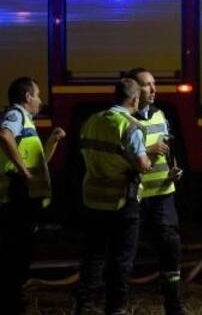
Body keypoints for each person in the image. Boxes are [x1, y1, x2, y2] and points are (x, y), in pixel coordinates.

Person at [74, 78, 152, 315]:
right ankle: (116, 307)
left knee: (93, 256)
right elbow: (141, 163)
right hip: (121, 200)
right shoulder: (130, 126)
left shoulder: (92, 120)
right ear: (134, 99)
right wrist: (147, 161)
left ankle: (85, 305)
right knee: (122, 257)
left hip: (93, 197)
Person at [0, 77, 65, 314]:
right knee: (15, 254)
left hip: (23, 196)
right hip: (15, 196)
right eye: (37, 94)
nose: (40, 100)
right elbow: (5, 135)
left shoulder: (25, 120)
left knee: (20, 252)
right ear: (27, 97)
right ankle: (11, 302)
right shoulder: (16, 115)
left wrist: (52, 142)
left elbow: (38, 163)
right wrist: (24, 173)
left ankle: (14, 299)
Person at [128, 67, 185, 315]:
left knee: (170, 248)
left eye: (154, 83)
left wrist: (174, 169)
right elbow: (120, 156)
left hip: (163, 195)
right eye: (146, 85)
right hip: (135, 197)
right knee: (125, 252)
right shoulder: (124, 119)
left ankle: (174, 306)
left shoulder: (161, 115)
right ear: (133, 89)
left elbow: (169, 150)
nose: (153, 89)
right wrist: (149, 150)